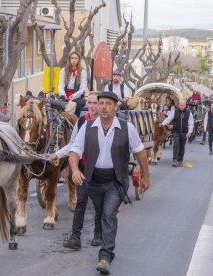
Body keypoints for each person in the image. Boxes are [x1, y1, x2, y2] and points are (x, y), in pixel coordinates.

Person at [69, 92, 150, 274]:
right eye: (101, 103)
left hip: (116, 181)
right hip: (93, 180)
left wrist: (146, 176)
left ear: (115, 107)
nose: (103, 107)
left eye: (108, 104)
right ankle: (104, 244)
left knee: (108, 215)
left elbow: (140, 153)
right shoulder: (87, 127)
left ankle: (105, 256)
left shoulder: (127, 128)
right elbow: (74, 150)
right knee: (100, 212)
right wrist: (75, 170)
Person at [49, 92, 102, 249]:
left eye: (95, 103)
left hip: (100, 169)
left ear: (102, 104)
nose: (91, 106)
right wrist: (56, 154)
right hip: (84, 168)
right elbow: (73, 144)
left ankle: (98, 234)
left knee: (99, 204)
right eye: (89, 103)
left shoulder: (106, 122)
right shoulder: (81, 121)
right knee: (81, 202)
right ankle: (75, 237)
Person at [160, 100, 194, 167]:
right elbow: (168, 119)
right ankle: (175, 160)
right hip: (176, 131)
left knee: (182, 146)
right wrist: (163, 123)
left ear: (185, 106)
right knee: (176, 144)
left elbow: (191, 123)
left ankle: (180, 160)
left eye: (183, 105)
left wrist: (189, 132)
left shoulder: (189, 113)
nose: (181, 107)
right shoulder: (174, 112)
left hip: (184, 132)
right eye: (180, 105)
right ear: (179, 105)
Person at [58, 51, 87, 117]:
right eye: (72, 58)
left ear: (79, 60)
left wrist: (73, 96)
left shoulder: (83, 71)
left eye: (76, 58)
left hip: (76, 96)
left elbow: (82, 88)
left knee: (78, 103)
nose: (74, 60)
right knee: (58, 103)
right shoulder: (63, 70)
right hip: (65, 94)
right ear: (69, 59)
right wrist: (63, 94)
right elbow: (61, 84)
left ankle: (75, 120)